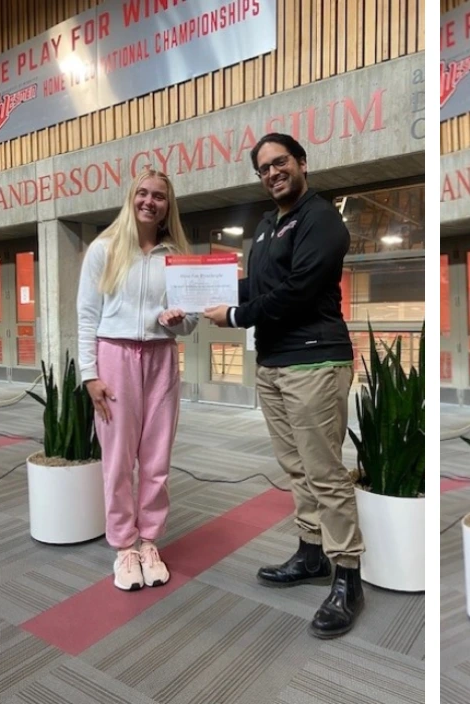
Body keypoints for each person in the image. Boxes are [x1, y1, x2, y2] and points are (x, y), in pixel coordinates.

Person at [203, 133, 362, 639]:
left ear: (301, 164)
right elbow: (259, 285)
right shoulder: (269, 224)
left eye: (281, 162)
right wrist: (201, 290)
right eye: (264, 167)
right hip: (273, 364)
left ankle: (347, 578)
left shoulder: (321, 218)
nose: (273, 172)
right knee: (297, 468)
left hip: (314, 361)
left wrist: (233, 314)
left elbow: (297, 292)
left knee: (325, 472)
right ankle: (312, 554)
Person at [77, 169, 199, 591]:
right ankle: (124, 546)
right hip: (114, 358)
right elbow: (87, 316)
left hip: (162, 358)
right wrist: (89, 375)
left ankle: (149, 540)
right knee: (117, 460)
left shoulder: (177, 255)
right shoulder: (104, 249)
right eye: (143, 193)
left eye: (159, 196)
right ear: (132, 198)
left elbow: (192, 321)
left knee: (156, 459)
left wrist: (178, 320)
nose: (150, 201)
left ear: (169, 205)